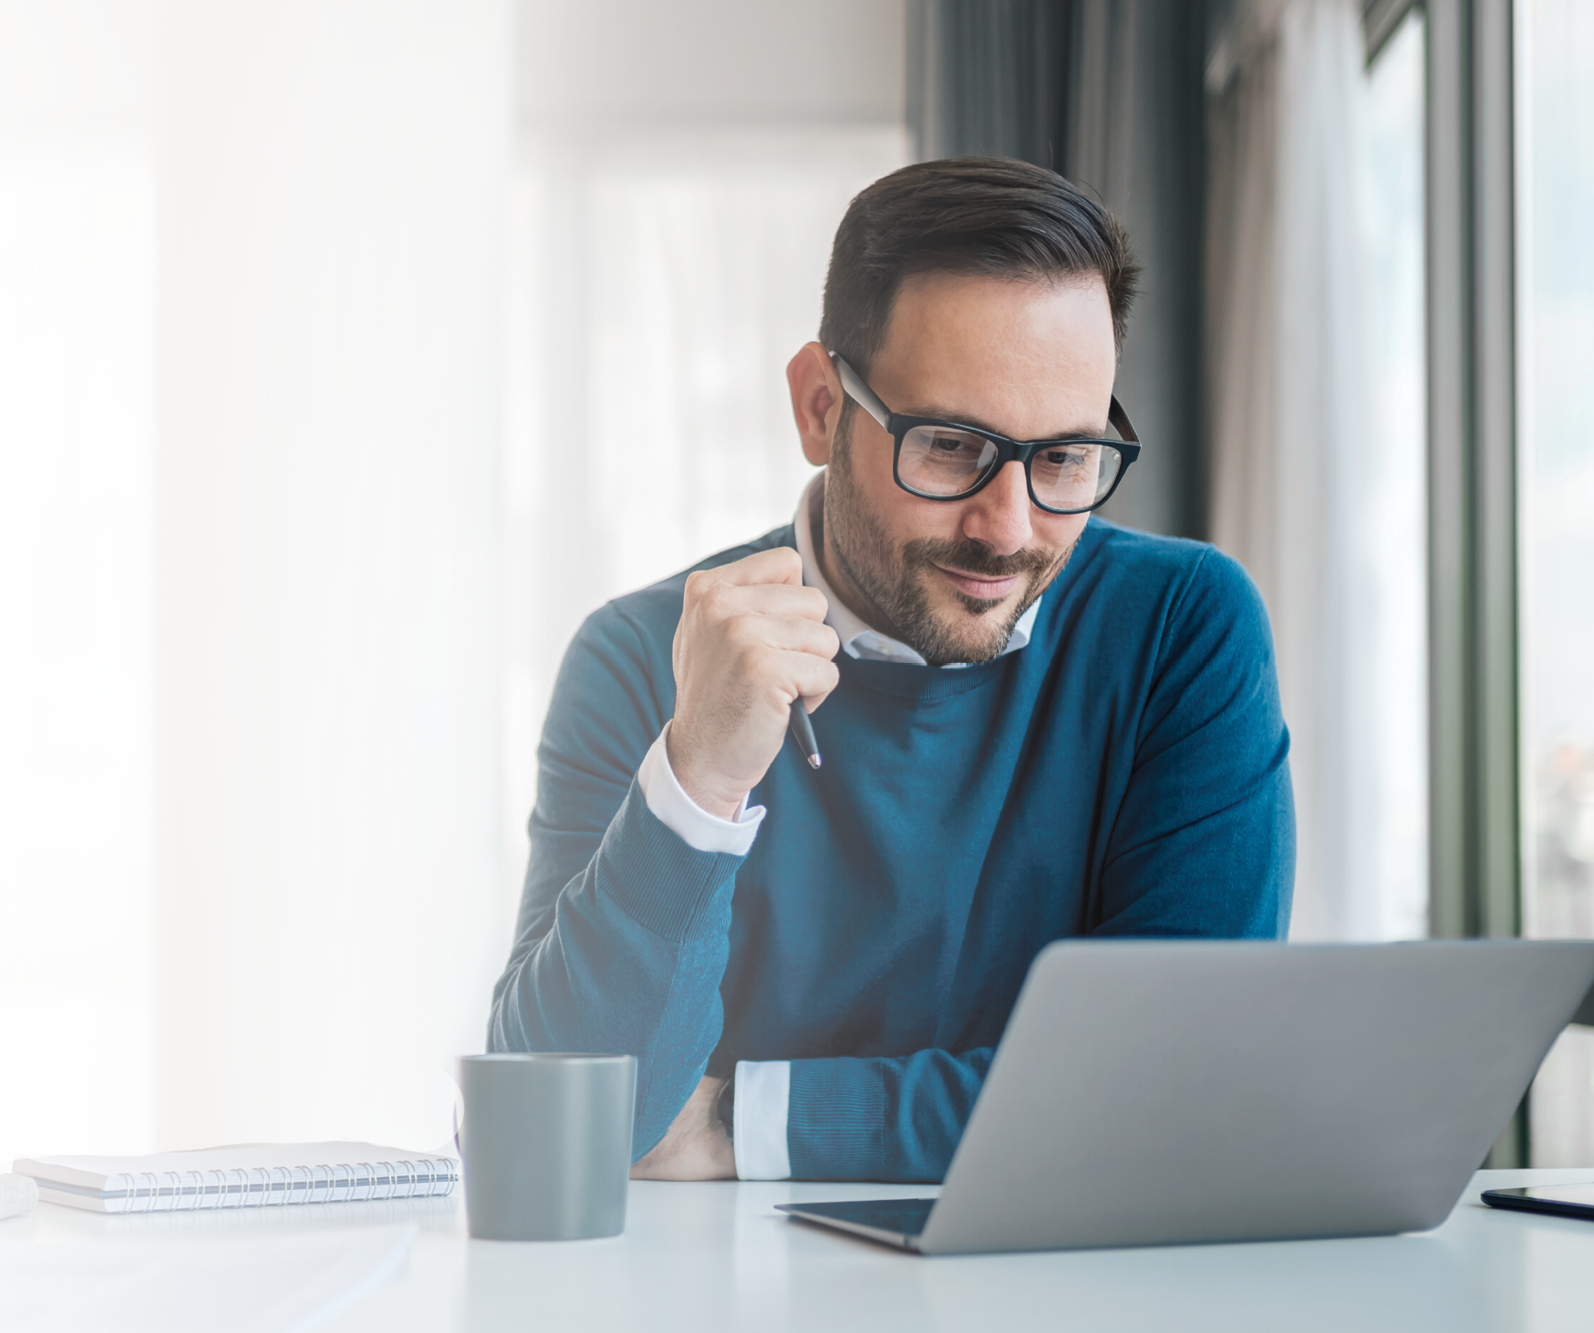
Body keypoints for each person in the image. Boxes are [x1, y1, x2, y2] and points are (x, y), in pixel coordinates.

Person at [487, 157, 1294, 1183]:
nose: (1007, 530)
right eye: (951, 445)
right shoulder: (639, 656)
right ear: (821, 407)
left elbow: (1181, 1088)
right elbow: (557, 1122)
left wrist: (745, 1122)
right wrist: (698, 778)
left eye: (1064, 459)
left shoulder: (1181, 626)